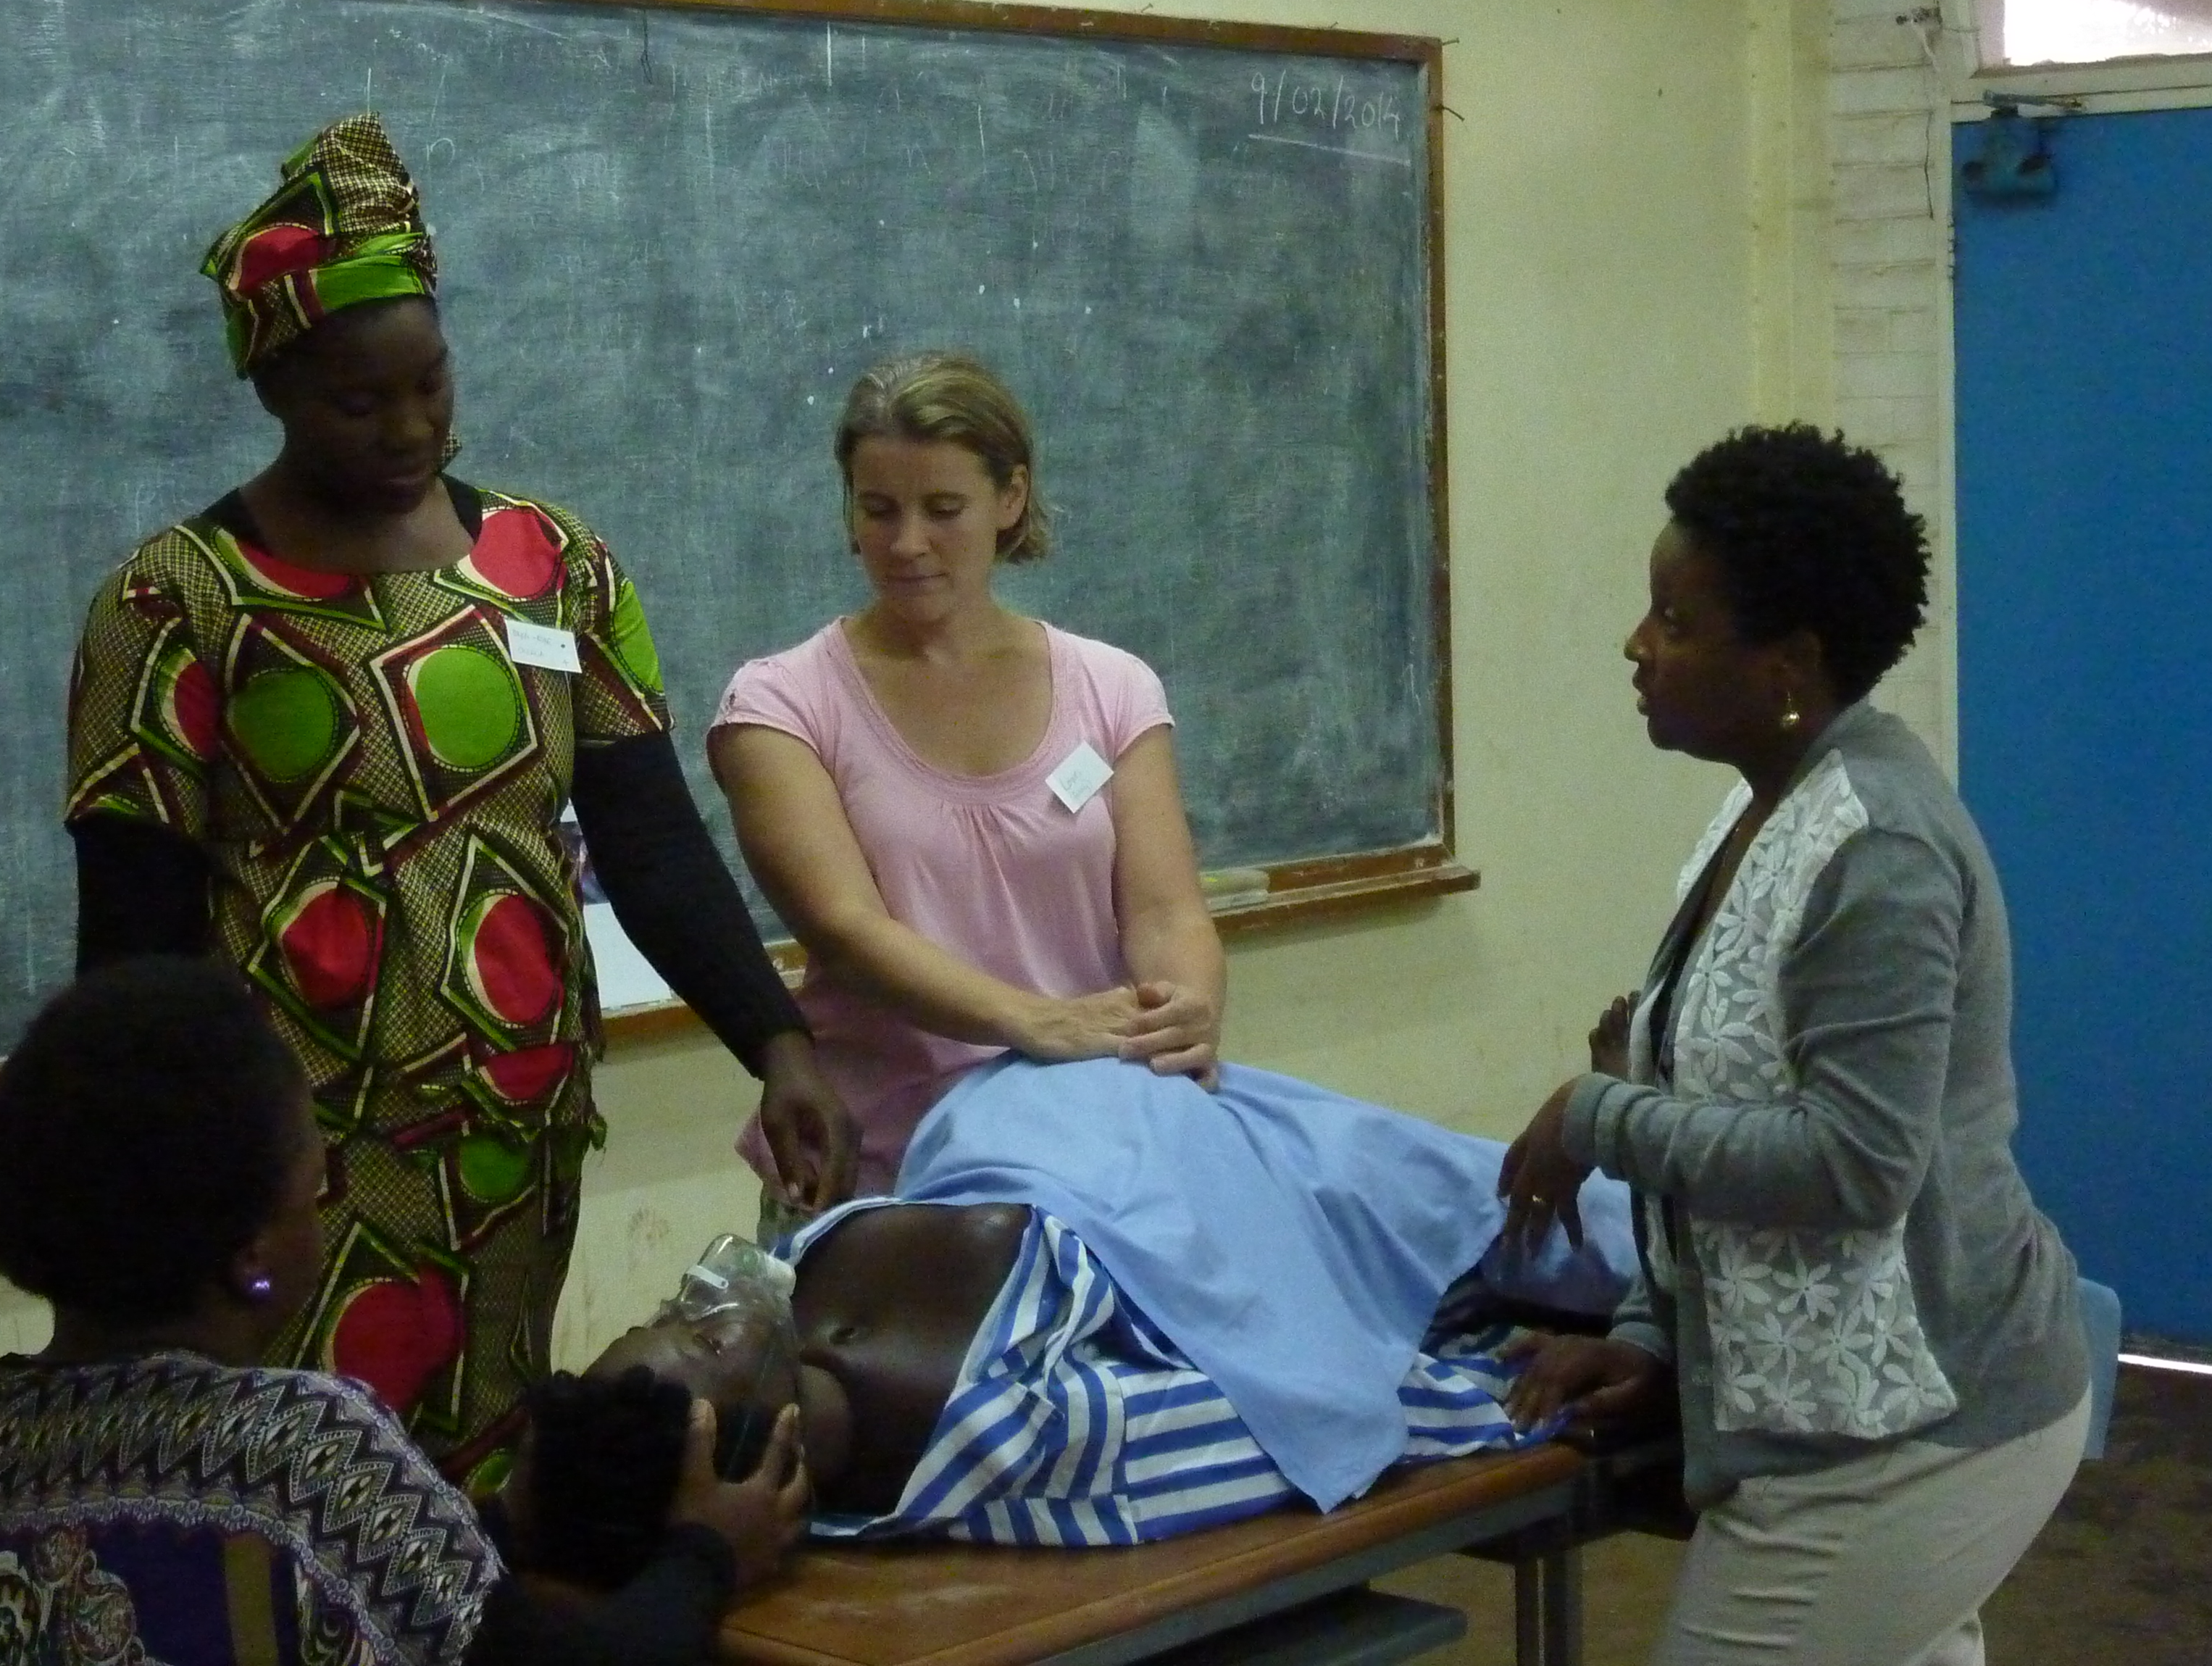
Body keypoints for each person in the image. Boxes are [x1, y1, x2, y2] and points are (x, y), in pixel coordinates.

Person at [63, 114, 856, 1486]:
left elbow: (649, 837)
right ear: (272, 393)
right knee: (300, 1482)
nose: (409, 428)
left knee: (488, 1470)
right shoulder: (175, 601)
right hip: (288, 1161)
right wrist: (164, 1196)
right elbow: (128, 940)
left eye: (429, 384)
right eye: (356, 403)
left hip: (514, 1129)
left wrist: (774, 1042)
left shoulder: (552, 565)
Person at [1496, 425, 2089, 1666]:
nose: (1636, 644)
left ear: (1788, 662)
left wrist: (1590, 1116)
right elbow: (1718, 1105)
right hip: (1822, 1418)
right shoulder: (1760, 805)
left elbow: (1852, 1165)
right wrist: (1654, 1337)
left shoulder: (1876, 849)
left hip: (1910, 1436)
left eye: (1675, 619)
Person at [0, 957, 809, 1666]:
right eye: (316, 1184)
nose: (329, 1204)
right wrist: (708, 1553)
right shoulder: (295, 1450)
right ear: (252, 1256)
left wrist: (489, 1529)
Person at [593, 1049, 1639, 1550]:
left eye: (675, 1305)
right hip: (1202, 1208)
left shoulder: (792, 1300)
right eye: (702, 1332)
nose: (709, 1292)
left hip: (1056, 1116)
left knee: (1457, 1195)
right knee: (1492, 1203)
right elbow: (1286, 1417)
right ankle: (1676, 1267)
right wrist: (1486, 1393)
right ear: (757, 1457)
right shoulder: (1002, 1437)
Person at [711, 351, 1224, 1207]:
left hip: (1097, 1155)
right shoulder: (781, 705)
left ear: (1010, 500)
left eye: (943, 509)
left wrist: (1181, 1020)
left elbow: (1166, 911)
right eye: (879, 510)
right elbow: (847, 930)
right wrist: (1041, 1024)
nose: (908, 543)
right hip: (886, 1175)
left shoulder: (1113, 688)